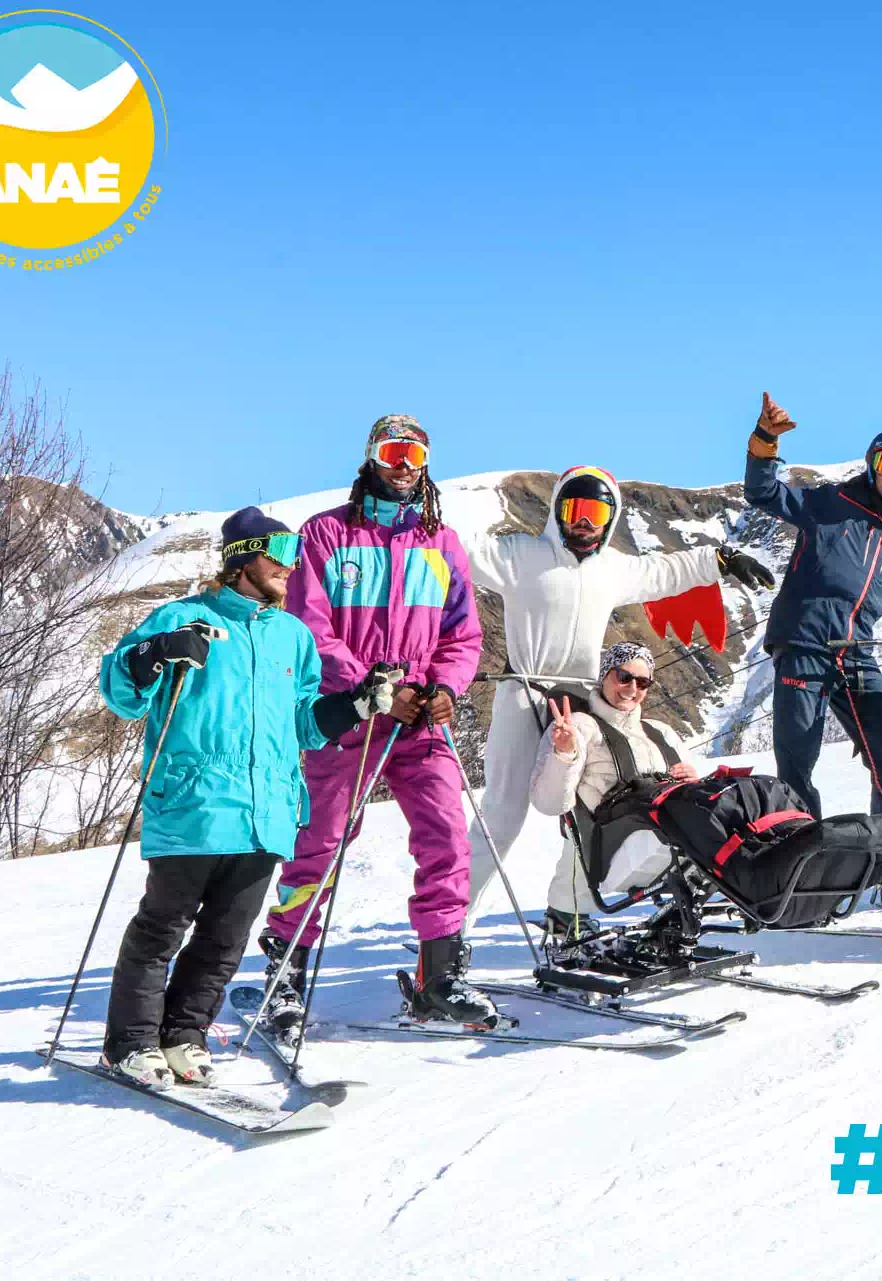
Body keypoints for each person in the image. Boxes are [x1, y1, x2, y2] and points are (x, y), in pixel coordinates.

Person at [97, 508, 397, 1088]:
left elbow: (306, 725)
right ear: (243, 559)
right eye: (278, 554)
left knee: (226, 937)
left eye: (294, 554)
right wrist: (157, 651)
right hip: (195, 804)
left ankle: (185, 1034)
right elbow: (122, 692)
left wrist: (357, 703)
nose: (290, 566)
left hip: (268, 812)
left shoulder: (293, 636)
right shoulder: (184, 618)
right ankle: (130, 1042)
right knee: (163, 927)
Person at [254, 415, 499, 1028]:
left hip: (418, 715)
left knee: (446, 835)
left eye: (415, 453)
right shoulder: (327, 535)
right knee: (321, 842)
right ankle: (287, 968)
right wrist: (372, 687)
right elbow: (311, 628)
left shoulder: (441, 543)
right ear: (371, 456)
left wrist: (444, 687)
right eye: (393, 450)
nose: (403, 463)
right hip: (352, 711)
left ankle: (439, 972)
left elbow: (461, 635)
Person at [466, 462, 774, 940]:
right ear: (557, 511)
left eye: (595, 512)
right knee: (503, 815)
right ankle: (450, 928)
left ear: (609, 519)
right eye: (574, 509)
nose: (584, 522)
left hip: (585, 705)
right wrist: (406, 522)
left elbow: (663, 571)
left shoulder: (613, 569)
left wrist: (722, 560)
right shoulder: (520, 556)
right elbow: (460, 550)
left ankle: (567, 911)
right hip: (523, 693)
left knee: (586, 810)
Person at [745, 391, 882, 821]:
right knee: (796, 762)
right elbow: (762, 493)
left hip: (856, 655)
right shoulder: (828, 504)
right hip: (804, 648)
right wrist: (765, 441)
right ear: (872, 464)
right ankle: (806, 853)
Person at [529, 643, 699, 936]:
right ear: (605, 675)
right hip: (611, 846)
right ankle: (565, 916)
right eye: (624, 677)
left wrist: (692, 781)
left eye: (643, 682)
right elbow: (549, 802)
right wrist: (564, 753)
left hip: (664, 836)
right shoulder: (580, 727)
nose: (632, 688)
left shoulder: (660, 732)